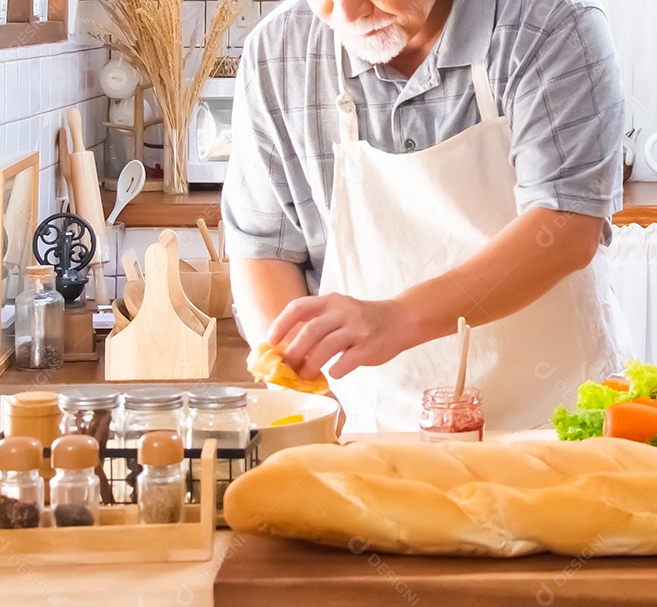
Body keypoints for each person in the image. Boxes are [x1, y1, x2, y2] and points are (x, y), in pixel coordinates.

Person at [222, 0, 632, 433]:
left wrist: (396, 319)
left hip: (553, 426)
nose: (345, 12)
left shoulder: (549, 24)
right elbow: (265, 247)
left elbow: (566, 227)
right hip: (369, 432)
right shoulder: (277, 52)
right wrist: (310, 399)